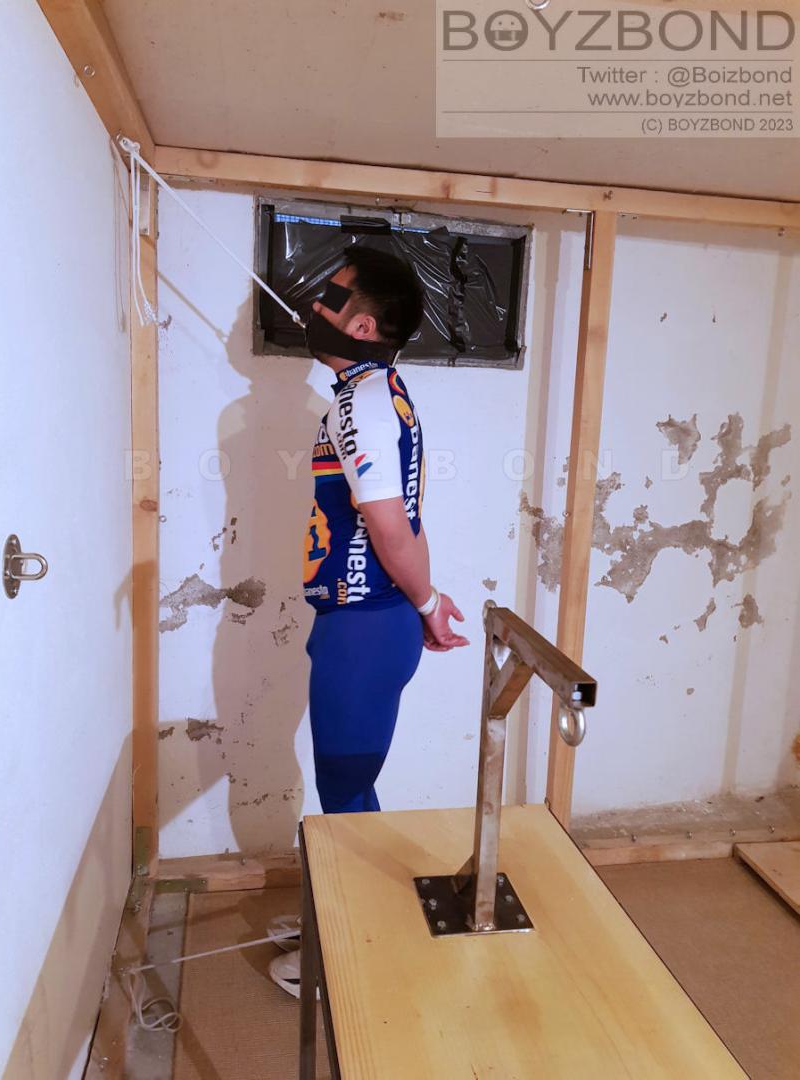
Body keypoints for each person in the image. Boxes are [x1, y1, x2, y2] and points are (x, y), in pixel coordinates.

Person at [269, 244, 469, 997]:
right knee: (348, 793)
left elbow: (389, 525)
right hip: (365, 622)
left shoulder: (361, 402)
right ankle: (340, 914)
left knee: (345, 799)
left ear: (358, 323)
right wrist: (426, 600)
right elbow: (408, 518)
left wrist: (426, 604)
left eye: (331, 294)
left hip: (364, 626)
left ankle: (354, 955)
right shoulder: (378, 390)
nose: (314, 305)